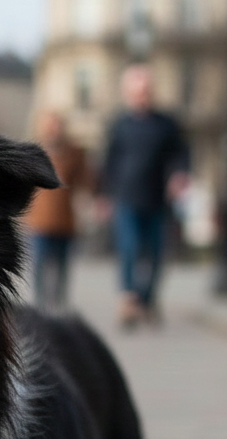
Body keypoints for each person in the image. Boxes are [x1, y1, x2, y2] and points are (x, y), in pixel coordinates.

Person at [101, 64, 190, 327]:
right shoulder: (119, 124)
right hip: (126, 198)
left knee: (156, 254)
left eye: (147, 90)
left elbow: (181, 154)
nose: (143, 95)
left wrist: (180, 174)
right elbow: (109, 162)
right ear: (128, 93)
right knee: (128, 249)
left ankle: (147, 300)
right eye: (138, 91)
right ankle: (128, 301)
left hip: (158, 199)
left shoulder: (167, 124)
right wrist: (104, 196)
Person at [24, 110, 93, 312]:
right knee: (39, 265)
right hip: (39, 221)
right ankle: (40, 305)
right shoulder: (33, 151)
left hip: (65, 220)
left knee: (62, 267)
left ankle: (59, 305)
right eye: (49, 125)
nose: (53, 129)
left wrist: (89, 200)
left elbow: (85, 182)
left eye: (57, 125)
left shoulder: (75, 152)